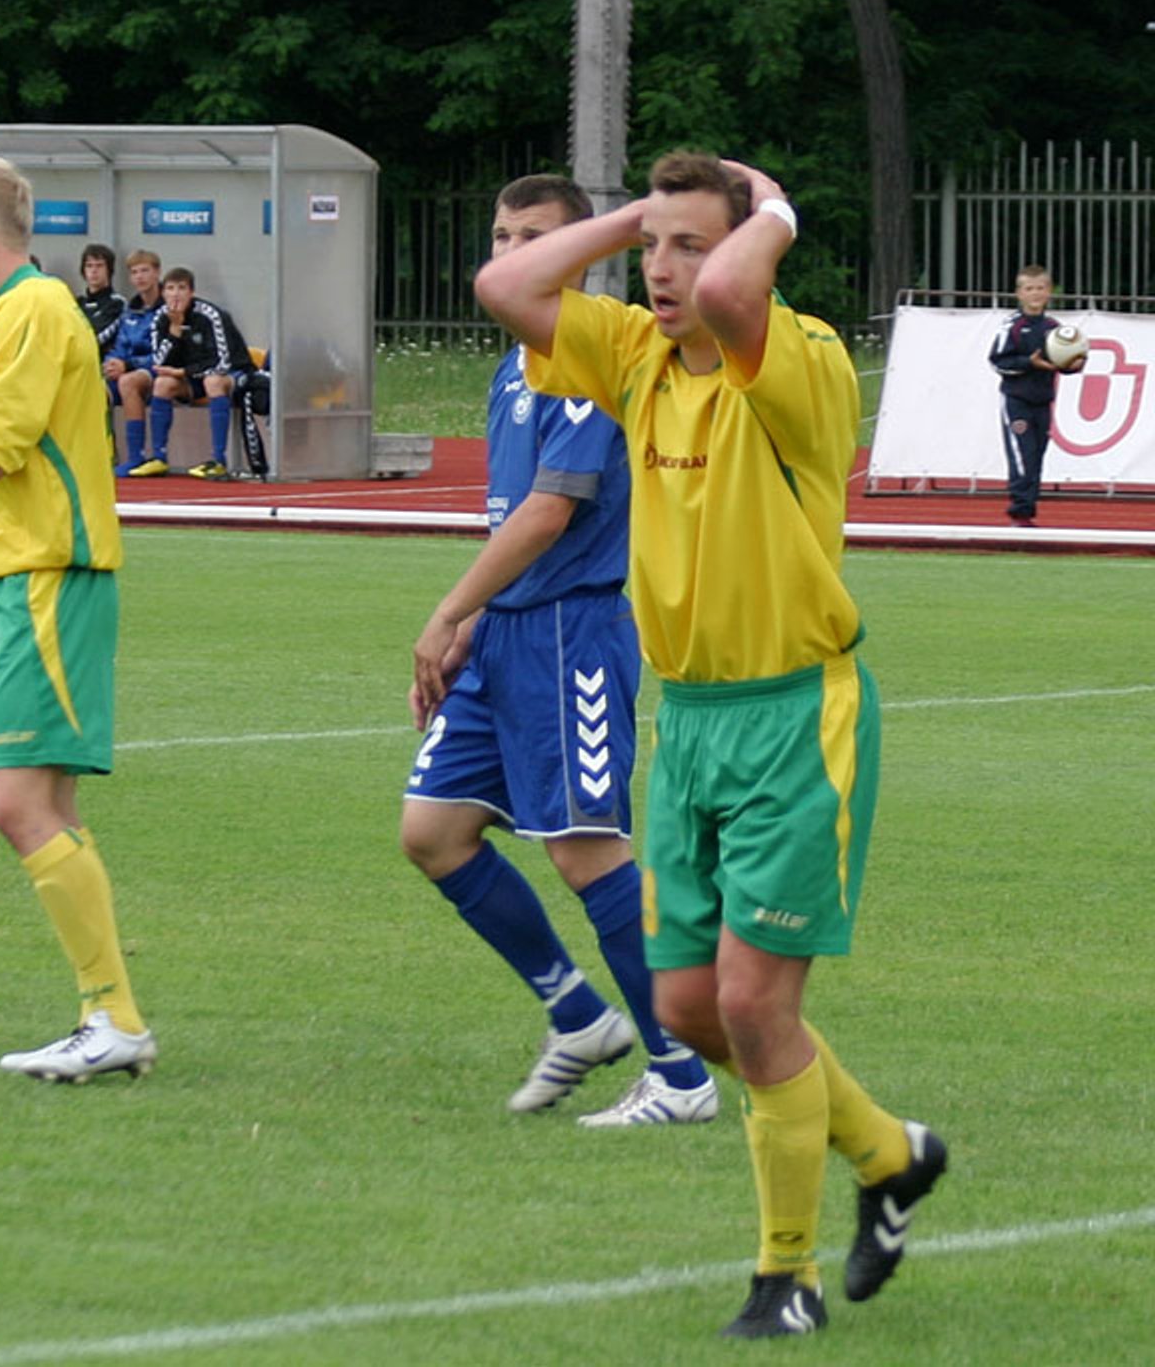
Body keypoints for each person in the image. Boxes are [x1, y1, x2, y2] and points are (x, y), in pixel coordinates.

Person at [476, 150, 947, 1339]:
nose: (665, 269)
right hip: (684, 723)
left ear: (746, 248)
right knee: (688, 1009)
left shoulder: (797, 355)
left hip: (793, 719)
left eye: (692, 246)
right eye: (653, 248)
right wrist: (637, 217)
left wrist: (771, 210)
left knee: (750, 1003)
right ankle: (887, 1153)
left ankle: (783, 1278)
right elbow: (507, 287)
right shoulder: (636, 354)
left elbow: (737, 292)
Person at [404, 175, 715, 1130]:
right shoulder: (515, 365)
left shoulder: (591, 360)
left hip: (568, 634)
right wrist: (475, 620)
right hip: (505, 632)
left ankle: (682, 1075)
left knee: (587, 852)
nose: (510, 253)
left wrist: (450, 608)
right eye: (502, 236)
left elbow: (549, 510)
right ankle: (580, 1017)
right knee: (433, 832)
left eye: (533, 237)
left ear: (581, 254)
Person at [0, 154, 154, 1083]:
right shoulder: (0, 316)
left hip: (44, 580)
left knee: (18, 806)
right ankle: (109, 1016)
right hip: (5, 579)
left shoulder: (34, 310)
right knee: (43, 807)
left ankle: (115, 1016)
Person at [128, 267, 253, 479]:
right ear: (163, 293)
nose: (176, 294)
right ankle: (159, 457)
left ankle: (219, 460)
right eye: (170, 288)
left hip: (233, 374)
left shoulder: (210, 315)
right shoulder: (161, 317)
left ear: (191, 292)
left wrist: (183, 371)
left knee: (213, 382)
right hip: (191, 378)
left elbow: (222, 362)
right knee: (162, 384)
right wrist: (174, 331)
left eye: (181, 288)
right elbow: (159, 362)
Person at [988, 263, 1084, 527]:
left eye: (1040, 288)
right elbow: (997, 362)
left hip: (1043, 401)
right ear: (1019, 293)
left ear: (1049, 291)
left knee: (1038, 454)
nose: (1035, 294)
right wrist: (1029, 363)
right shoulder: (1011, 326)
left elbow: (1061, 362)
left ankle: (1028, 510)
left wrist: (1074, 365)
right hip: (1016, 400)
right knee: (1023, 454)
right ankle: (1020, 512)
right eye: (1029, 289)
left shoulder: (1054, 328)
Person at [106, 249, 161, 475]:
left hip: (159, 372)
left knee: (128, 381)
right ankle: (103, 454)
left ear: (157, 273)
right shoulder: (130, 311)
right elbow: (120, 346)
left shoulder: (168, 309)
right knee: (92, 387)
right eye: (135, 272)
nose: (140, 277)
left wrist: (128, 365)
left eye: (145, 271)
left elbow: (165, 353)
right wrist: (112, 363)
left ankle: (136, 456)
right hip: (129, 371)